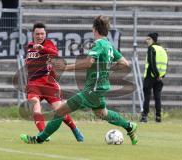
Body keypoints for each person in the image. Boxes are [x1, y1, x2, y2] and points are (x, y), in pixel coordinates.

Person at [20, 16, 138, 145]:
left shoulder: (98, 44)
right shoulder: (109, 45)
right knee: (102, 113)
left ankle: (38, 139)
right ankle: (129, 126)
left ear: (94, 29)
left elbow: (88, 62)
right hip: (101, 87)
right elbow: (124, 63)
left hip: (92, 89)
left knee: (60, 111)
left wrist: (67, 67)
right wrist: (106, 69)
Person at [24, 22, 84, 141]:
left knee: (60, 110)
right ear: (33, 34)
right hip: (33, 84)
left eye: (42, 34)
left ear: (45, 34)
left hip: (48, 84)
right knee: (35, 107)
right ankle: (44, 135)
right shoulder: (29, 46)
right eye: (37, 34)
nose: (40, 36)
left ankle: (74, 129)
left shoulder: (49, 44)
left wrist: (43, 49)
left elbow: (55, 53)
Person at [140, 32, 168, 123]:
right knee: (157, 97)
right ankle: (158, 117)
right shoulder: (163, 49)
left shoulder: (151, 49)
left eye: (148, 39)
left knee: (147, 97)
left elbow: (152, 63)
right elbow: (166, 64)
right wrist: (161, 76)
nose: (146, 40)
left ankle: (144, 117)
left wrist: (156, 75)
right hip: (159, 78)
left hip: (150, 76)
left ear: (152, 39)